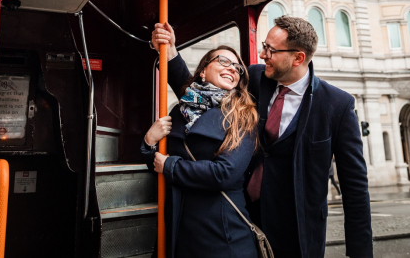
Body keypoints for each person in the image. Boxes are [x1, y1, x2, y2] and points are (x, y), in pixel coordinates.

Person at [152, 17, 373, 258]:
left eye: (271, 50)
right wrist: (170, 53)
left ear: (298, 58)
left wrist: (360, 253)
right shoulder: (256, 78)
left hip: (297, 232)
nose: (263, 54)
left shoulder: (337, 105)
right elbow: (202, 94)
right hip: (245, 218)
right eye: (264, 46)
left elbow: (355, 186)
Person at [141, 46, 259, 258]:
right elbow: (158, 163)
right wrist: (149, 142)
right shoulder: (180, 111)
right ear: (203, 71)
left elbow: (224, 173)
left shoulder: (243, 117)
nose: (232, 69)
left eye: (237, 68)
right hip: (180, 227)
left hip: (221, 232)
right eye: (224, 61)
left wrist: (172, 166)